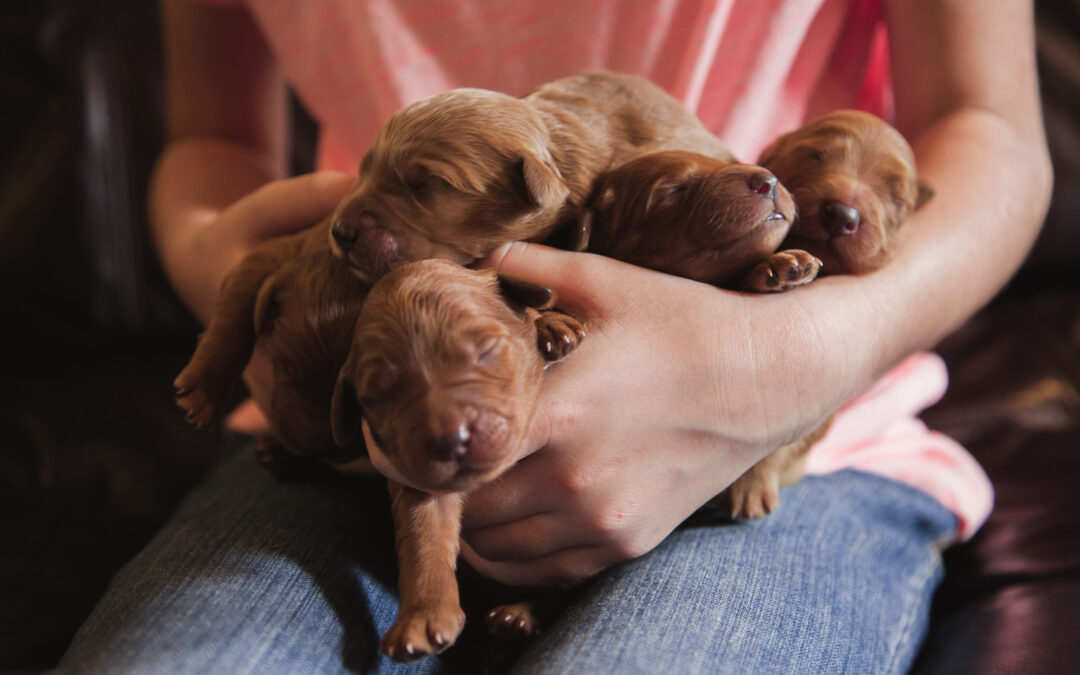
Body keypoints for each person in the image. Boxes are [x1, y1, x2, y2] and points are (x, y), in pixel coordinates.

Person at [56, 0, 1050, 673]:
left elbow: (988, 125)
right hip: (370, 425)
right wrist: (235, 279)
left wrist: (771, 368)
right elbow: (213, 138)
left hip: (803, 433)